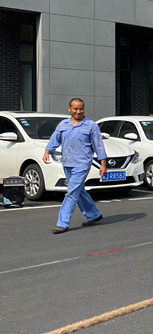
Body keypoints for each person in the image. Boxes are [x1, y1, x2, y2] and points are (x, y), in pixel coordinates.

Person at [43, 98, 107, 234]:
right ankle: (93, 214)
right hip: (67, 163)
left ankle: (62, 223)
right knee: (79, 191)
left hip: (82, 164)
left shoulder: (91, 126)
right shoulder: (63, 125)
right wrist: (47, 151)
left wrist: (103, 164)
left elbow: (99, 146)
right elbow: (54, 139)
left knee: (71, 192)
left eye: (81, 109)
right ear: (69, 109)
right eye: (75, 109)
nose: (78, 111)